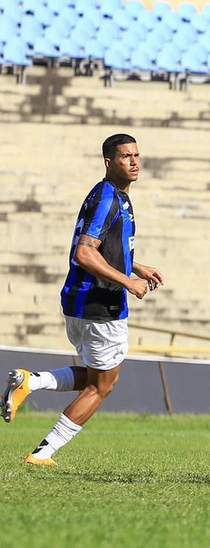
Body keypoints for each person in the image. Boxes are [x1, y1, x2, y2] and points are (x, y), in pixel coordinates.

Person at [2, 133, 163, 465]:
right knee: (102, 386)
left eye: (136, 155)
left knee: (94, 376)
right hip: (101, 304)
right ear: (109, 162)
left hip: (77, 302)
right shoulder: (109, 199)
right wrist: (128, 282)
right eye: (125, 156)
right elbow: (86, 253)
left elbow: (106, 249)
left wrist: (138, 266)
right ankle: (43, 452)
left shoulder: (106, 193)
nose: (133, 161)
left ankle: (31, 382)